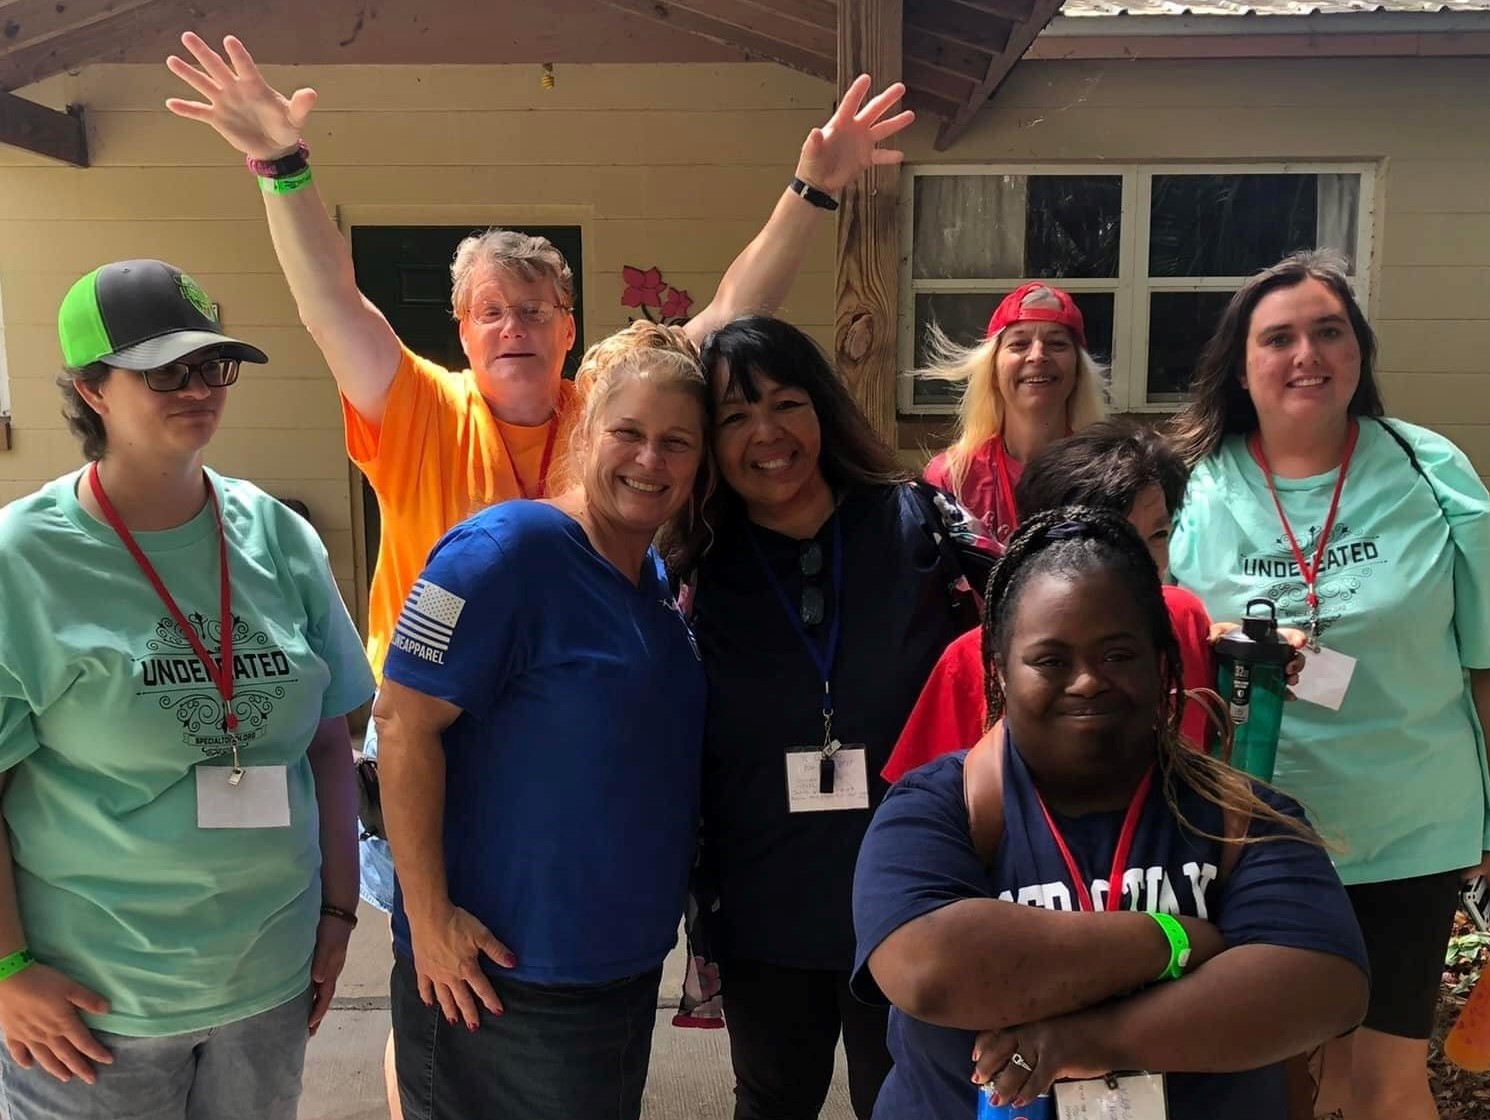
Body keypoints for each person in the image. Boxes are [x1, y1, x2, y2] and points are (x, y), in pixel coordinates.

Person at [164, 33, 913, 1111]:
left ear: (573, 331)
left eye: (534, 309)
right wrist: (284, 170)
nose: (513, 326)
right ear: (461, 332)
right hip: (446, 767)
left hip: (586, 846)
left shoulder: (614, 413)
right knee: (447, 994)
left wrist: (812, 188)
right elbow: (332, 299)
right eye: (490, 311)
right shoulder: (413, 407)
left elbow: (732, 307)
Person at [0, 260, 374, 1119]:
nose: (200, 387)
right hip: (95, 1007)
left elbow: (326, 738)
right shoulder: (23, 558)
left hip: (267, 981)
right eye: (166, 370)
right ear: (91, 388)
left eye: (214, 365)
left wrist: (340, 912)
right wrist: (8, 971)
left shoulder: (274, 534)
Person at [852, 508, 1370, 1120]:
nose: (1088, 681)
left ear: (1161, 666)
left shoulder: (1237, 817)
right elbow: (931, 968)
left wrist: (1086, 1042)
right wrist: (1174, 939)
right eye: (1050, 660)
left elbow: (1321, 985)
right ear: (999, 673)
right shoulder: (937, 807)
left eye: (1117, 654)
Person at [1167, 249, 1490, 1120]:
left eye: (1328, 332)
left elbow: (1487, 663)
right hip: (1255, 828)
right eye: (1278, 338)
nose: (1306, 354)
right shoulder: (1189, 480)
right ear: (1241, 364)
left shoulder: (1431, 469)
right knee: (1289, 1078)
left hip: (1412, 825)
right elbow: (1154, 641)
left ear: (1358, 352)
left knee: (1387, 1081)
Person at [371, 321, 711, 1120]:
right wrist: (427, 919)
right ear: (587, 430)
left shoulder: (655, 583)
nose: (649, 460)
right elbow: (401, 722)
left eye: (677, 443)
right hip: (499, 984)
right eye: (628, 433)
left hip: (617, 975)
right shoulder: (503, 553)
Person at [687, 316, 988, 1120]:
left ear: (822, 407)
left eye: (786, 402)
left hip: (914, 893)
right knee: (772, 1101)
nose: (767, 433)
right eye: (732, 417)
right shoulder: (694, 569)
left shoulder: (920, 523)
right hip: (764, 903)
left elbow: (1040, 615)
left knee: (905, 1102)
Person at [884, 420, 1215, 783]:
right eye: (1113, 541)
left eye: (1158, 534)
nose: (1143, 562)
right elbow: (920, 798)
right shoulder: (971, 660)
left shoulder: (1183, 618)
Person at [919, 282, 1106, 543]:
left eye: (1056, 343)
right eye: (1019, 344)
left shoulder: (1103, 474)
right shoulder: (953, 476)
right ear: (993, 372)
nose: (1038, 355)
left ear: (1078, 371)